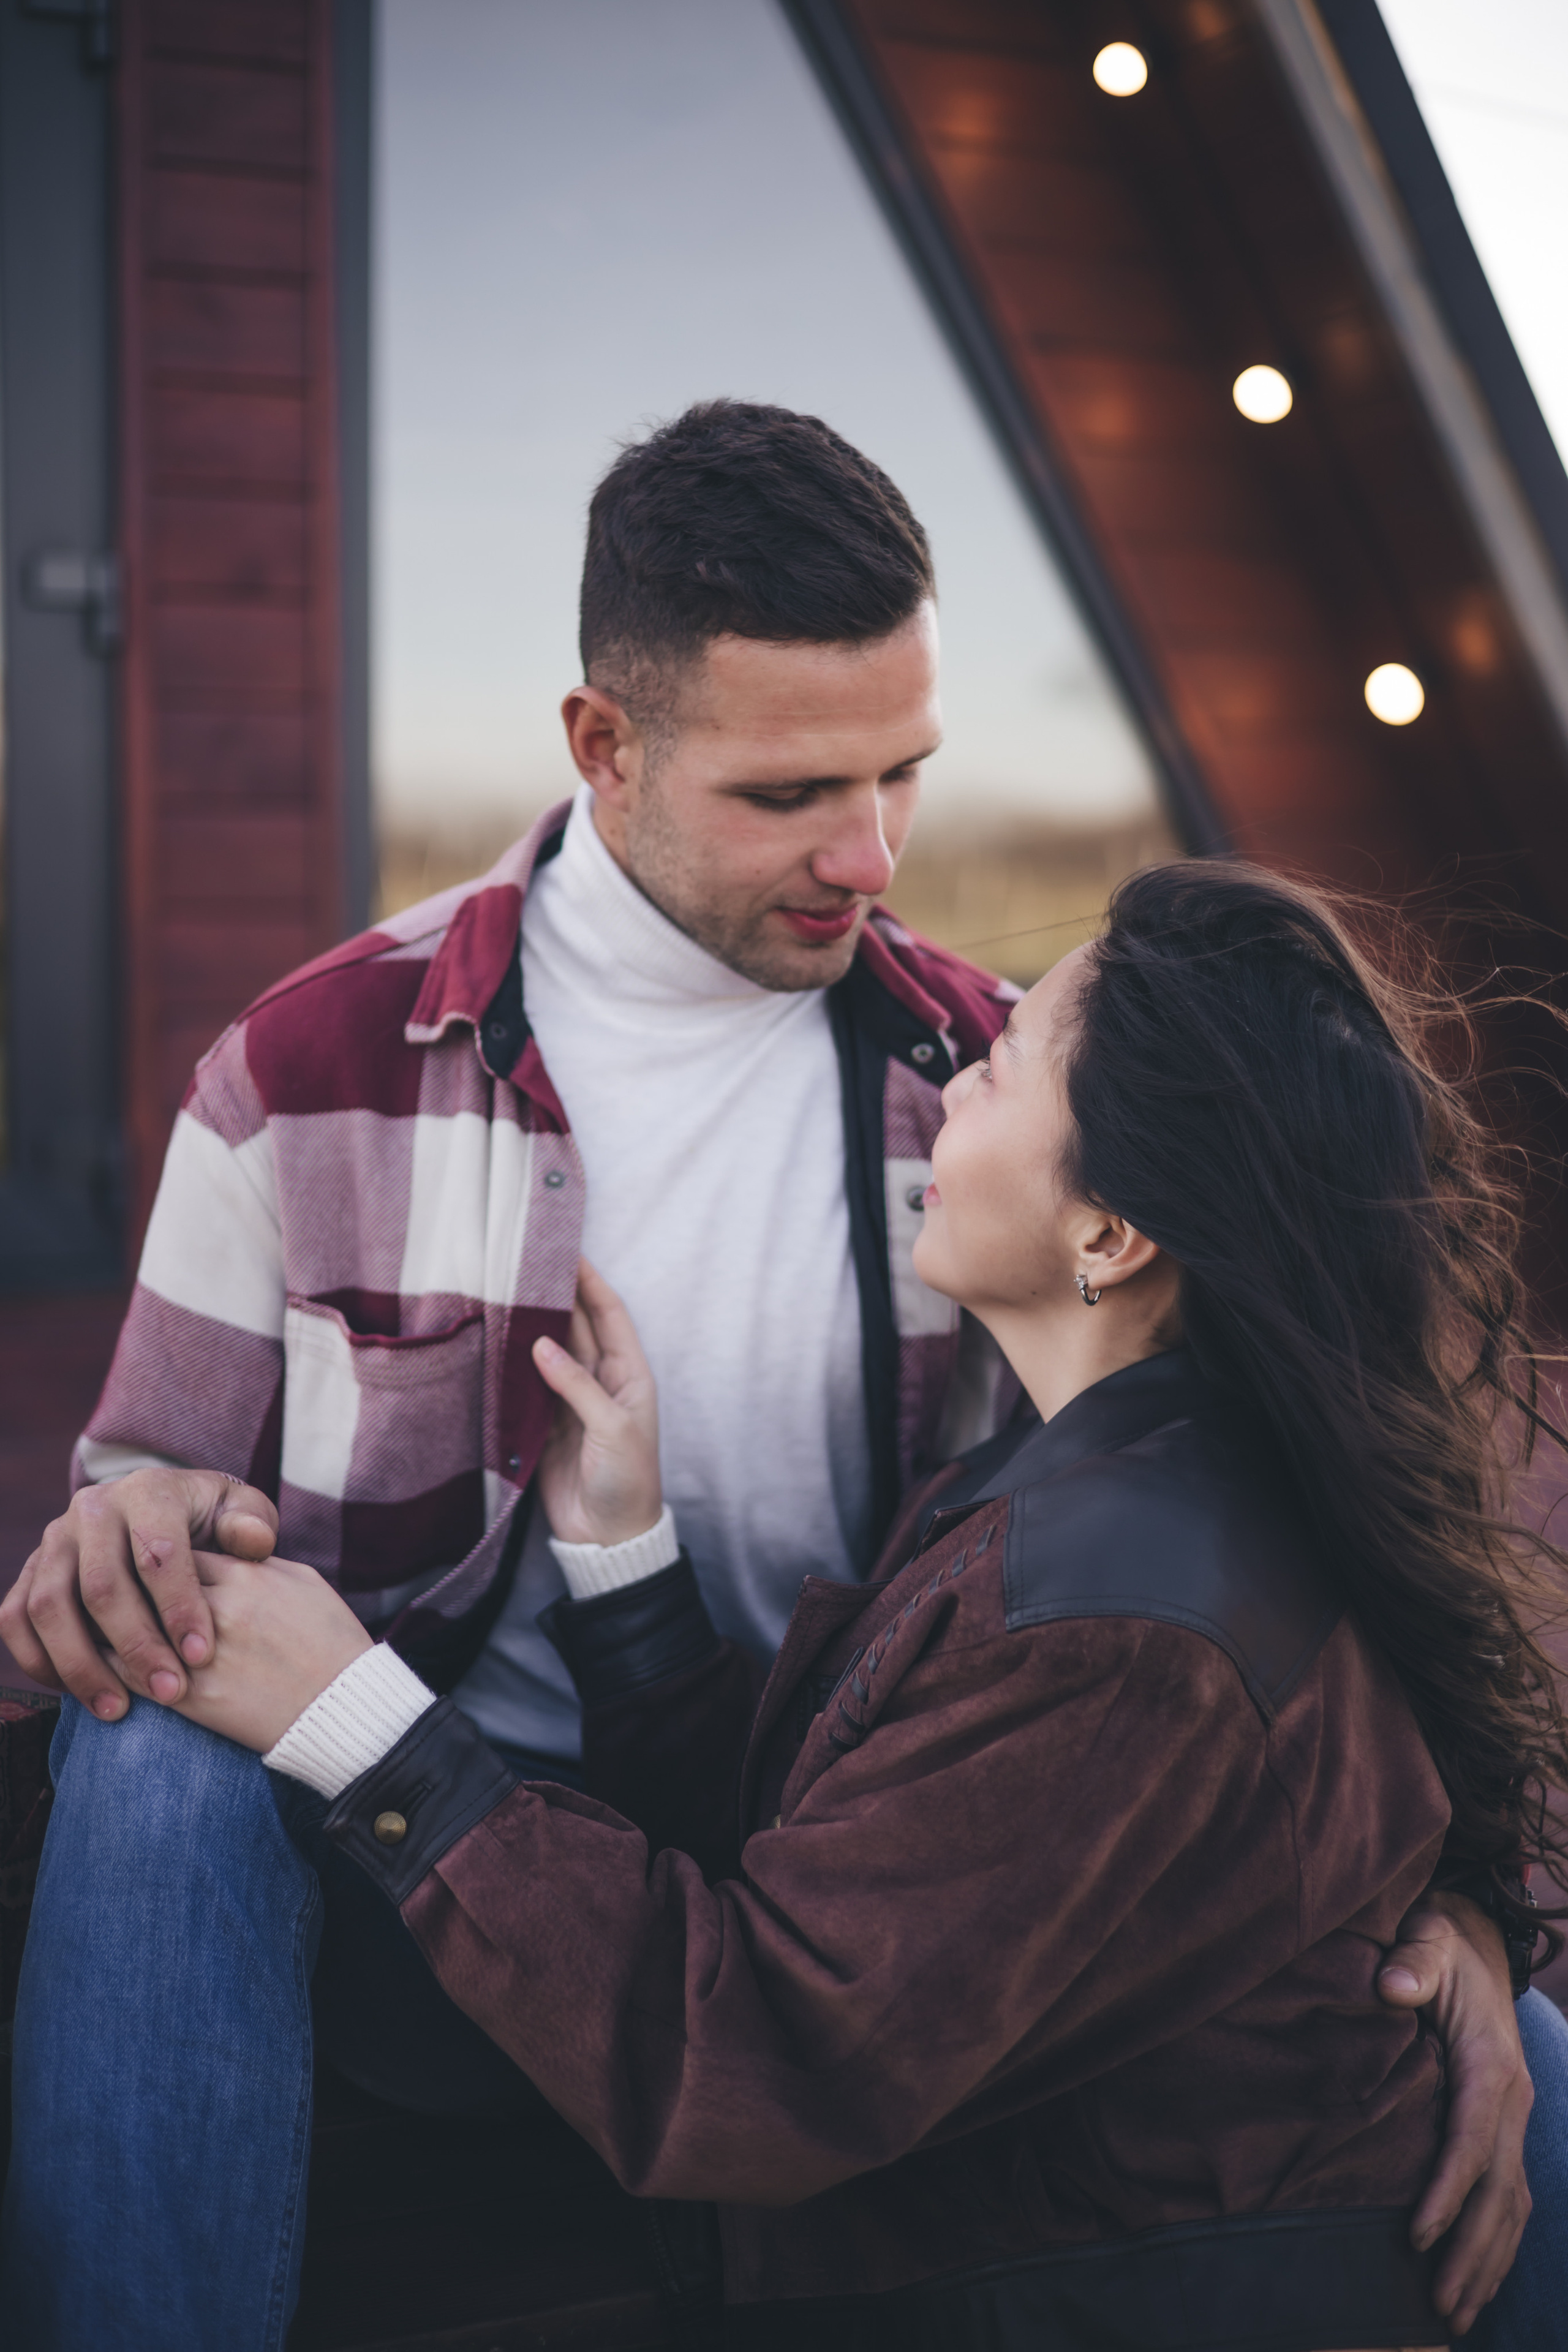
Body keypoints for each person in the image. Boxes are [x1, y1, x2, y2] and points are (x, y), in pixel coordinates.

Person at [0, 413, 1553, 2332]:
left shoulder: (1000, 1099)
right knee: (146, 1749)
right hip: (400, 1882)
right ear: (604, 747)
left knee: (1534, 2066)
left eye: (906, 775)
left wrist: (1478, 1899)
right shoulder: (301, 1078)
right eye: (796, 791)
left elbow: (1334, 1496)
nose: (873, 854)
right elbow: (130, 1492)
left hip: (808, 1888)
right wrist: (128, 1527)